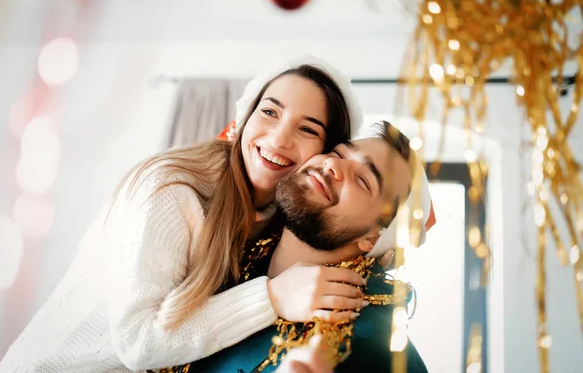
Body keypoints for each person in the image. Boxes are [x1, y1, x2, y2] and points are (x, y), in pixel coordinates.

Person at [0, 56, 367, 373]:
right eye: (269, 112)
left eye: (307, 128)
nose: (279, 139)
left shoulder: (274, 215)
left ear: (325, 154)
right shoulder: (171, 189)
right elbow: (137, 339)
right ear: (245, 118)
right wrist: (271, 297)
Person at [161, 121, 435, 373]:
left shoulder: (368, 347)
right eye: (339, 153)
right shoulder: (223, 260)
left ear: (375, 238)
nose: (333, 166)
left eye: (363, 181)